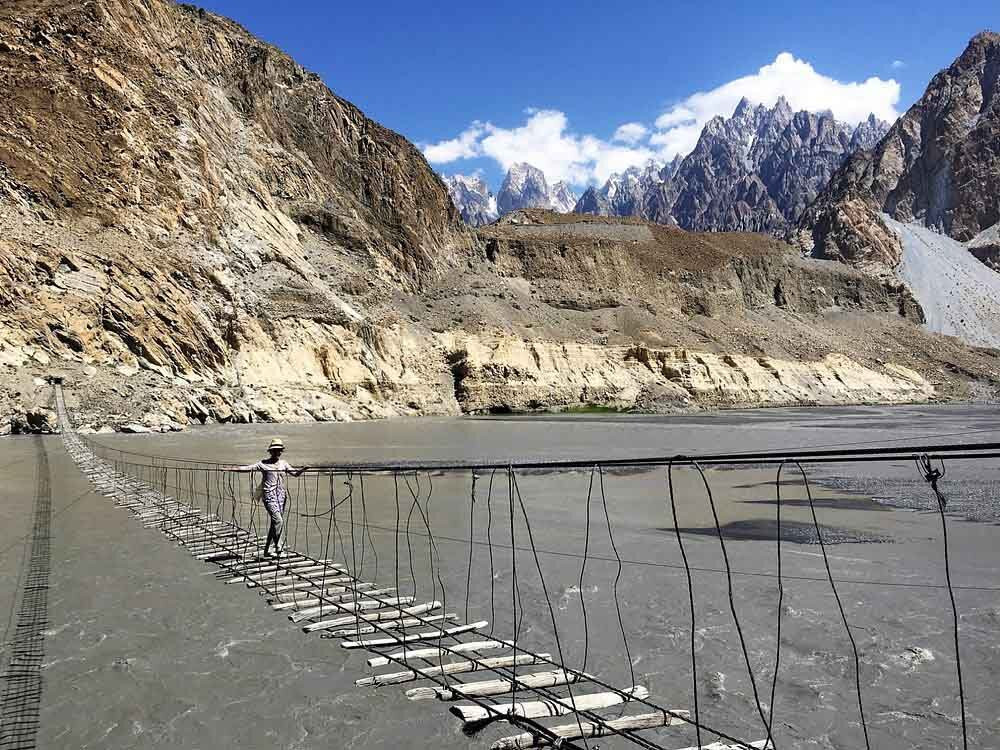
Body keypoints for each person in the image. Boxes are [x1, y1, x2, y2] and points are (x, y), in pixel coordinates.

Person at [233, 438, 307, 558]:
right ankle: (278, 548)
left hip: (281, 496)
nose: (277, 453)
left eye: (279, 450)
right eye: (275, 450)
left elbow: (295, 474)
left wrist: (303, 469)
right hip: (269, 496)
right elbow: (247, 468)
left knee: (276, 522)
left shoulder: (284, 463)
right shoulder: (263, 464)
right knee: (279, 521)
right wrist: (231, 469)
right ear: (271, 451)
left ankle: (268, 550)